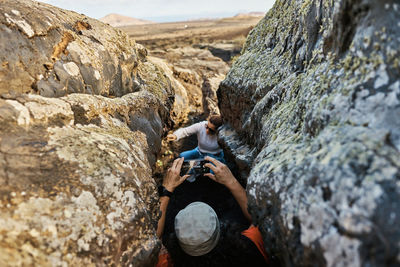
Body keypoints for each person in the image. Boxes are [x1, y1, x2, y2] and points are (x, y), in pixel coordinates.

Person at [156, 157, 269, 267]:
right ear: (219, 228)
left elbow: (154, 240)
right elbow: (260, 219)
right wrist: (231, 181)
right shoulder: (249, 248)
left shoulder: (166, 262)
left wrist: (166, 189)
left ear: (177, 239)